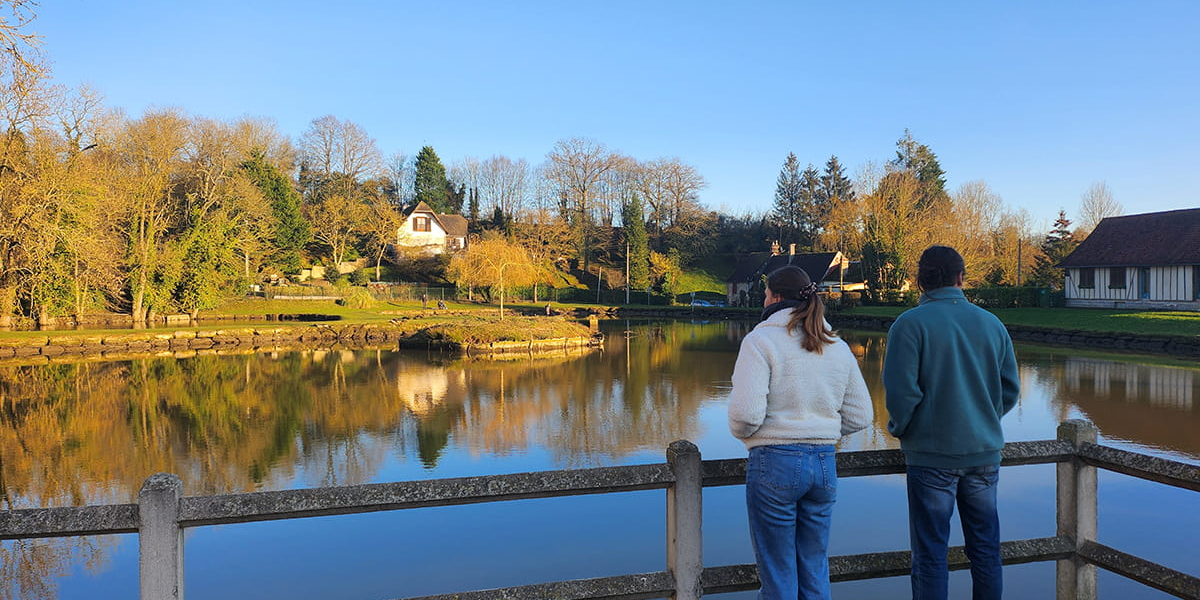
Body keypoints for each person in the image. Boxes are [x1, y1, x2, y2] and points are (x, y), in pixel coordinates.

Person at [728, 265, 874, 600]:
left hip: (774, 464)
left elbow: (745, 416)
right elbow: (861, 415)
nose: (763, 299)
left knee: (778, 572)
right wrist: (820, 429)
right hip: (823, 465)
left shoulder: (760, 341)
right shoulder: (835, 345)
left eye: (765, 293)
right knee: (814, 566)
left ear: (775, 297)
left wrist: (753, 435)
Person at [883, 245, 1020, 600]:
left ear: (920, 281)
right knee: (987, 550)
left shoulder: (908, 325)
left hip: (931, 455)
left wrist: (902, 428)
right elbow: (1009, 390)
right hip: (984, 453)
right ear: (961, 278)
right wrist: (981, 418)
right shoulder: (992, 324)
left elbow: (902, 394)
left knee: (930, 554)